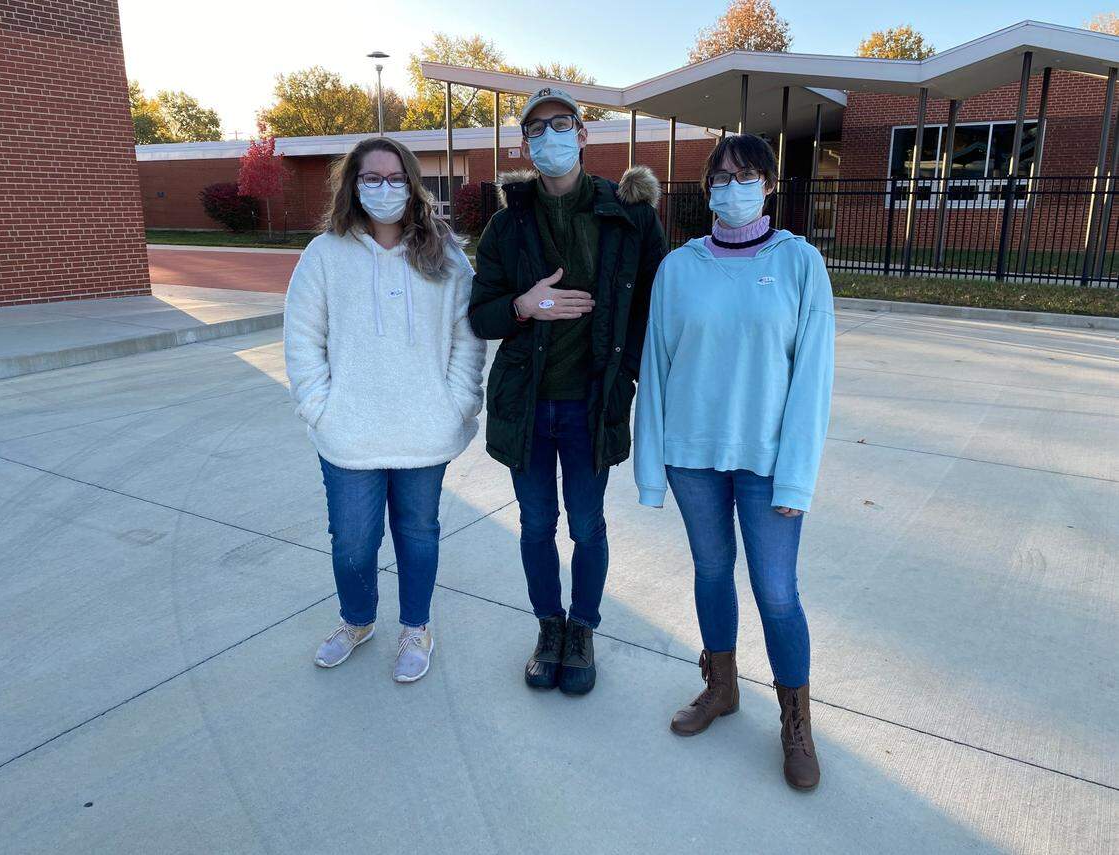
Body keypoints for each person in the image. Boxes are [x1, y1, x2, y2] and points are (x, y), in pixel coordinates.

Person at [633, 133, 835, 789]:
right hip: (692, 458)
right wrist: (650, 466)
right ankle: (720, 687)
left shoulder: (800, 263)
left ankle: (795, 722)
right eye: (721, 176)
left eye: (747, 175)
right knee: (712, 571)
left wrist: (797, 476)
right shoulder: (678, 267)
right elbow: (656, 370)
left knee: (777, 592)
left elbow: (813, 379)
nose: (733, 186)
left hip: (768, 464)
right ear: (707, 188)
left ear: (769, 185)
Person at [470, 87, 667, 695]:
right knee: (534, 525)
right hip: (525, 405)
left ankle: (582, 627)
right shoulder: (508, 225)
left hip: (590, 405)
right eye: (536, 130)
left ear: (583, 135)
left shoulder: (627, 214)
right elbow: (482, 315)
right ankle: (548, 626)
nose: (548, 137)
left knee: (586, 524)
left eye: (561, 125)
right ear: (524, 145)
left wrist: (627, 374)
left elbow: (652, 307)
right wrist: (525, 306)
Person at [284, 137, 486, 683]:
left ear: (413, 183)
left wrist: (458, 402)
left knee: (418, 534)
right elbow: (303, 338)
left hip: (425, 430)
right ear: (353, 185)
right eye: (370, 178)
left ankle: (416, 627)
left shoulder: (444, 254)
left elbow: (467, 338)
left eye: (395, 178)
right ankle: (357, 621)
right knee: (352, 543)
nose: (383, 189)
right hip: (349, 432)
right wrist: (319, 407)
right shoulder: (324, 254)